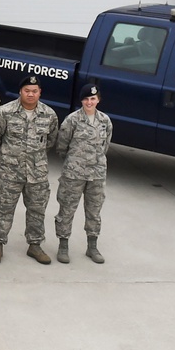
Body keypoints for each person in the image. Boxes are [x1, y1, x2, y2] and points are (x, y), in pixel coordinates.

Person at [0, 74, 59, 265]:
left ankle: (35, 245)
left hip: (37, 173)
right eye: (27, 91)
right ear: (20, 91)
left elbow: (50, 141)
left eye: (34, 91)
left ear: (40, 92)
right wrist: (9, 156)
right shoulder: (5, 112)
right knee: (3, 209)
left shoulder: (49, 115)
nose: (30, 94)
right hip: (10, 172)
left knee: (37, 210)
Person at [54, 83, 112, 263]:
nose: (89, 102)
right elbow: (62, 146)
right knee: (67, 210)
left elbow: (106, 145)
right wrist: (75, 162)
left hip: (97, 174)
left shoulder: (105, 121)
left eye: (93, 99)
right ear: (81, 100)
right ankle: (63, 246)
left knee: (94, 211)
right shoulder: (72, 120)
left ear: (98, 100)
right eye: (86, 99)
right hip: (74, 174)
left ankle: (92, 246)